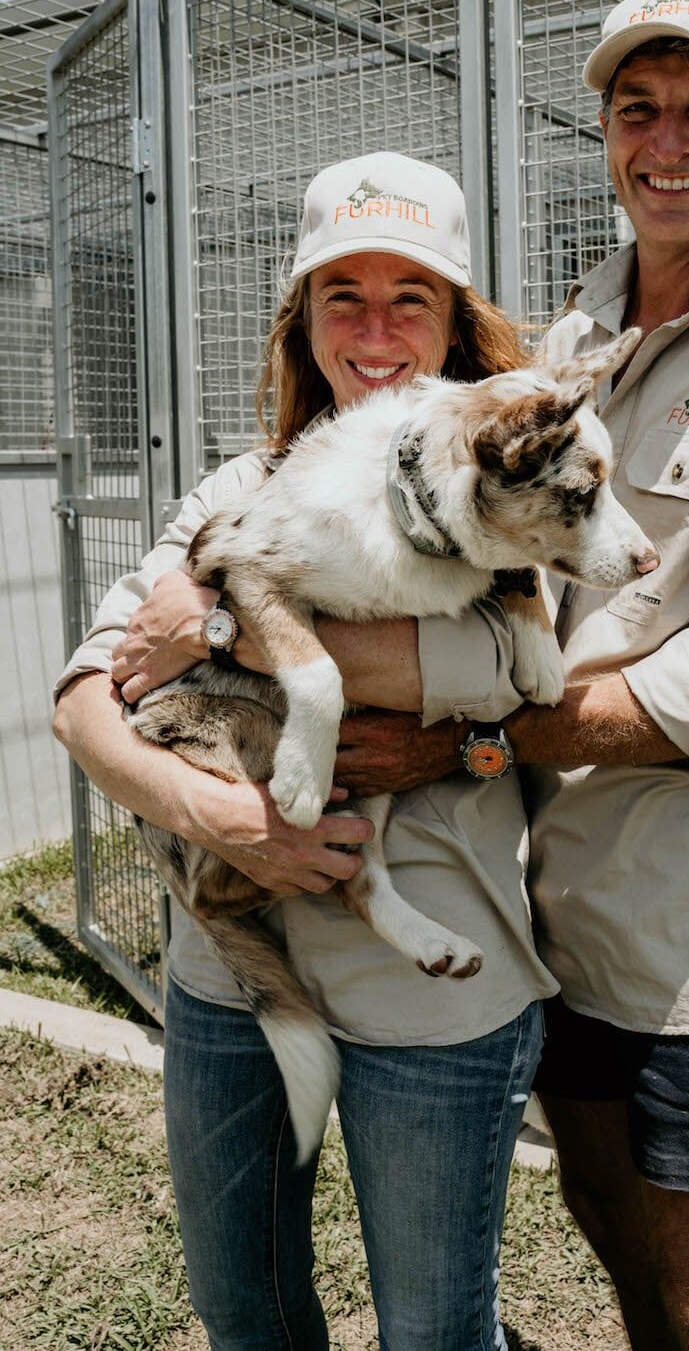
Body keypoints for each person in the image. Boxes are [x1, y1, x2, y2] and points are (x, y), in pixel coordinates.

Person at [330, 0, 689, 1351]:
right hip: (551, 898)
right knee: (599, 1200)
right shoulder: (570, 340)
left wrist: (460, 739)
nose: (668, 141)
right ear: (601, 134)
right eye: (636, 108)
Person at [52, 150, 556, 1351]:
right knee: (247, 1314)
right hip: (230, 973)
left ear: (457, 326)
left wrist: (231, 622)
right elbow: (86, 697)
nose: (375, 330)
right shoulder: (249, 480)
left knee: (436, 1330)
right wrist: (223, 818)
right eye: (344, 296)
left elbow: (534, 690)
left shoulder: (510, 496)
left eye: (411, 298)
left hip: (438, 993)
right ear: (304, 323)